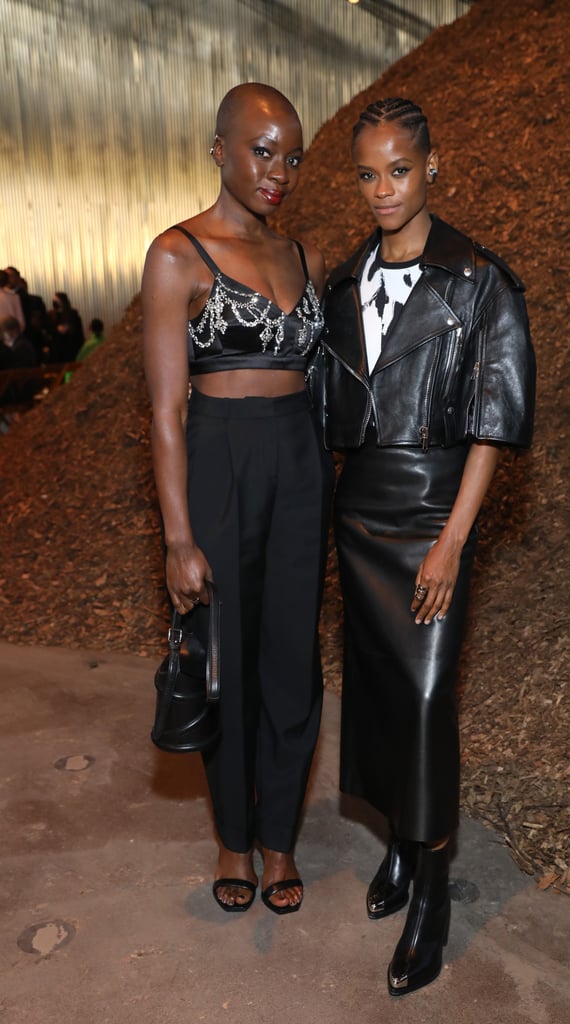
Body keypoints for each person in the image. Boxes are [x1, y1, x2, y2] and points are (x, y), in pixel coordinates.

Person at [321, 98, 536, 996]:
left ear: (431, 166)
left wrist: (452, 541)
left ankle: (433, 892)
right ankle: (404, 853)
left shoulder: (479, 280)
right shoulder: (341, 284)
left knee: (423, 698)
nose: (382, 189)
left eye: (398, 170)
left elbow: (493, 424)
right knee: (376, 694)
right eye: (367, 173)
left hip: (432, 513)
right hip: (360, 509)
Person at [142, 83, 332, 916]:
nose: (277, 170)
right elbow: (162, 410)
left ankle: (280, 838)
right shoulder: (176, 254)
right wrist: (178, 536)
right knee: (227, 656)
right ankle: (230, 838)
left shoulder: (305, 256)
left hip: (300, 460)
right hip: (220, 455)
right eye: (262, 150)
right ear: (219, 148)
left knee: (292, 657)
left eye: (291, 155)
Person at [47, 291, 85, 362]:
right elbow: (48, 329)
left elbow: (78, 331)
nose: (55, 303)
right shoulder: (51, 315)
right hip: (56, 347)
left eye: (57, 301)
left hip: (70, 346)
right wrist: (56, 329)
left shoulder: (72, 314)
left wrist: (69, 328)